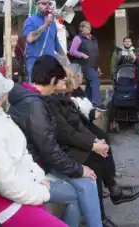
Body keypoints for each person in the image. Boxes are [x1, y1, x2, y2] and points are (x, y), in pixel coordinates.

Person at [7, 55, 103, 227]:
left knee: (86, 183)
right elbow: (49, 149)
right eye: (60, 80)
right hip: (34, 169)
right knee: (82, 186)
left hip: (39, 163)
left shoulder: (30, 98)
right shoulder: (34, 105)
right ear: (52, 79)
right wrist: (78, 169)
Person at [0, 70, 69, 226]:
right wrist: (40, 192)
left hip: (23, 189)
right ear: (0, 97)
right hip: (6, 204)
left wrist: (39, 177)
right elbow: (6, 182)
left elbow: (23, 154)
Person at [48, 67, 139, 226]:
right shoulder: (53, 101)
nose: (71, 79)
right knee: (93, 161)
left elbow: (78, 125)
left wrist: (95, 142)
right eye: (65, 77)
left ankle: (112, 193)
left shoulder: (64, 97)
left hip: (69, 143)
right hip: (60, 150)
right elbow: (66, 132)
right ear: (52, 80)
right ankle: (104, 211)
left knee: (100, 144)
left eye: (72, 76)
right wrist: (92, 145)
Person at [22, 0, 66, 80]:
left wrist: (66, 60)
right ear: (36, 6)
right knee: (36, 89)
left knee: (49, 90)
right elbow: (29, 38)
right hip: (35, 61)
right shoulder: (30, 20)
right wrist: (45, 25)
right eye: (44, 3)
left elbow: (56, 44)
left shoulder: (52, 23)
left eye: (49, 3)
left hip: (50, 62)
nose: (47, 6)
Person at [69, 21, 101, 106]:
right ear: (81, 28)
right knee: (95, 82)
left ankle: (87, 102)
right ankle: (97, 103)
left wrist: (97, 66)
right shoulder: (78, 38)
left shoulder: (93, 38)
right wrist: (82, 55)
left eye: (89, 27)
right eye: (86, 27)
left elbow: (96, 53)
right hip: (85, 64)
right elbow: (72, 51)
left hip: (94, 64)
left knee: (90, 85)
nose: (89, 28)